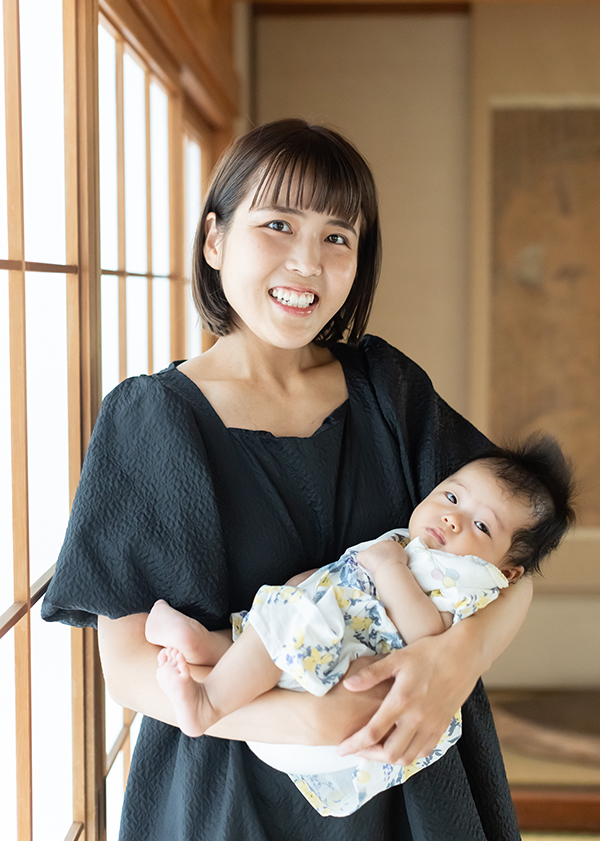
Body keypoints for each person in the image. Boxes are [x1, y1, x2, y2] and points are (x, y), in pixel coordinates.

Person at [42, 119, 537, 841]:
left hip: (408, 785)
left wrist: (455, 661)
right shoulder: (149, 418)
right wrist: (309, 717)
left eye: (338, 237)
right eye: (278, 225)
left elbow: (517, 567)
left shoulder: (387, 387)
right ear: (215, 240)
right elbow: (126, 668)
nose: (307, 261)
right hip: (225, 796)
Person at [145, 437, 575, 817]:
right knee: (281, 622)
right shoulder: (415, 545)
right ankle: (203, 646)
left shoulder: (463, 581)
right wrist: (312, 582)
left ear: (508, 572)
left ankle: (208, 702)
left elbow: (427, 635)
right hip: (296, 699)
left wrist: (391, 570)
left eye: (481, 526)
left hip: (343, 698)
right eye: (451, 497)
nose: (452, 519)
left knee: (292, 621)